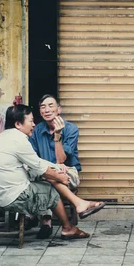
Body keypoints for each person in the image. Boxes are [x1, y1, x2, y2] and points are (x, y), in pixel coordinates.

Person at [0, 104, 107, 240]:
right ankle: (68, 227)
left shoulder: (3, 137)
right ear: (18, 124)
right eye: (30, 121)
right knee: (50, 190)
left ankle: (79, 205)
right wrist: (61, 178)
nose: (34, 124)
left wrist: (57, 168)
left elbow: (36, 162)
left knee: (45, 178)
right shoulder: (18, 140)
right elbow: (40, 168)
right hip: (12, 196)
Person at [29, 94, 82, 238]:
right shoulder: (36, 130)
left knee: (48, 180)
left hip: (68, 172)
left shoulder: (71, 129)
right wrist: (53, 169)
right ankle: (62, 220)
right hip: (46, 174)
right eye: (42, 107)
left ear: (59, 109)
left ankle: (45, 221)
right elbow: (32, 159)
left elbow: (61, 159)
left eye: (50, 106)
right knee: (46, 180)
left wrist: (57, 135)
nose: (46, 110)